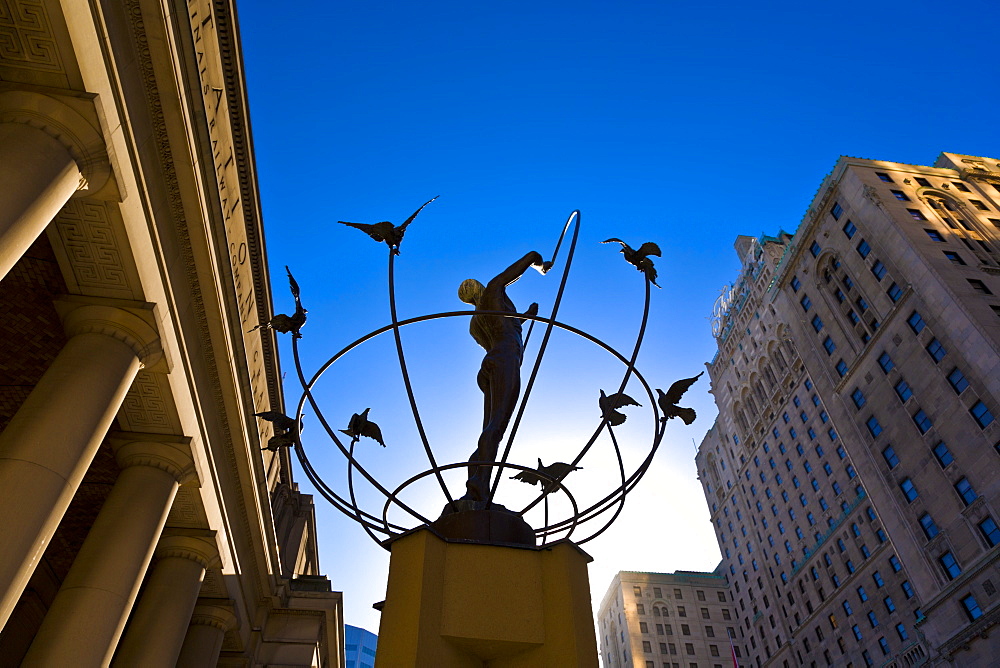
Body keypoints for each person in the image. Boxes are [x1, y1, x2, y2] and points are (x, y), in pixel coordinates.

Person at [458, 250, 550, 504]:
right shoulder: (494, 290)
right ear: (478, 287)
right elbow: (532, 255)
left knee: (490, 427)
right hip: (505, 360)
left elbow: (505, 326)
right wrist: (540, 266)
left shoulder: (476, 322)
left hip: (490, 366)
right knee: (496, 427)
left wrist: (525, 317)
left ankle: (475, 479)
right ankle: (478, 485)